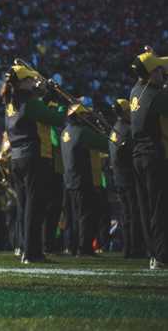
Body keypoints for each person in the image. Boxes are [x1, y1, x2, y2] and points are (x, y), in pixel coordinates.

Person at [2, 60, 66, 264]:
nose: (33, 81)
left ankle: (25, 249)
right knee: (35, 207)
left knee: (25, 206)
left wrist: (46, 94)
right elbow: (56, 119)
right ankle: (32, 252)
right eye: (30, 79)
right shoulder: (29, 102)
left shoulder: (11, 102)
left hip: (18, 157)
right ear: (22, 83)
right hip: (34, 156)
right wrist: (63, 103)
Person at [130, 47, 168, 270]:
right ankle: (163, 255)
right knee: (160, 207)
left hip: (138, 155)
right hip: (154, 155)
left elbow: (149, 73)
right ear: (153, 73)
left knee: (146, 208)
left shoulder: (135, 90)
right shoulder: (157, 96)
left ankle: (154, 253)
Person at [60, 103, 111, 256]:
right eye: (86, 115)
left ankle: (74, 246)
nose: (88, 118)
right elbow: (105, 144)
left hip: (69, 179)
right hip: (83, 178)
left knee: (75, 216)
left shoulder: (65, 132)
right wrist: (101, 125)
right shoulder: (83, 132)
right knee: (86, 215)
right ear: (79, 117)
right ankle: (85, 248)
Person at [109, 98, 144, 259]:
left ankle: (128, 249)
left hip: (118, 178)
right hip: (129, 177)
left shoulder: (114, 129)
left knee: (126, 215)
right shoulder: (128, 129)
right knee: (134, 213)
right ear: (124, 112)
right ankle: (136, 248)